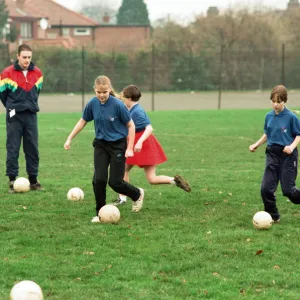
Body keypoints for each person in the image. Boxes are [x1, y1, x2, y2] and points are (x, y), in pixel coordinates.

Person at [64, 76, 144, 222]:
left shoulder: (118, 105)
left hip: (118, 145)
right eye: (99, 92)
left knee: (115, 182)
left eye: (105, 92)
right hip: (101, 144)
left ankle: (137, 194)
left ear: (109, 89)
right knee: (98, 180)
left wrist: (130, 148)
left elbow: (131, 125)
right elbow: (83, 121)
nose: (101, 95)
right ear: (95, 90)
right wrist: (70, 138)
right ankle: (99, 212)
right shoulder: (93, 104)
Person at [114, 84, 191, 206]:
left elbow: (149, 128)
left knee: (124, 169)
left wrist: (139, 142)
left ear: (129, 98)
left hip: (141, 144)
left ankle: (123, 198)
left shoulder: (137, 111)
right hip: (142, 144)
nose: (123, 100)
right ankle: (174, 181)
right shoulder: (133, 108)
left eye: (124, 98)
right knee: (150, 178)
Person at [249, 85, 300, 223]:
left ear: (285, 101)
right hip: (272, 154)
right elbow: (268, 133)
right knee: (266, 189)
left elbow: (298, 135)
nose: (275, 105)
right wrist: (256, 144)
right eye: (273, 101)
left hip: (288, 156)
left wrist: (291, 146)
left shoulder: (291, 117)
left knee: (289, 191)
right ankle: (273, 216)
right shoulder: (268, 116)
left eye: (279, 102)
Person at [0, 44, 43, 192]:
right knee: (13, 147)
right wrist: (13, 107)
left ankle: (33, 180)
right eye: (24, 57)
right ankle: (12, 180)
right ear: (18, 56)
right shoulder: (6, 73)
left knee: (32, 148)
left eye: (29, 57)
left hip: (30, 114)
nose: (26, 60)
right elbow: (3, 95)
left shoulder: (38, 73)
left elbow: (36, 93)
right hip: (14, 115)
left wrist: (28, 105)